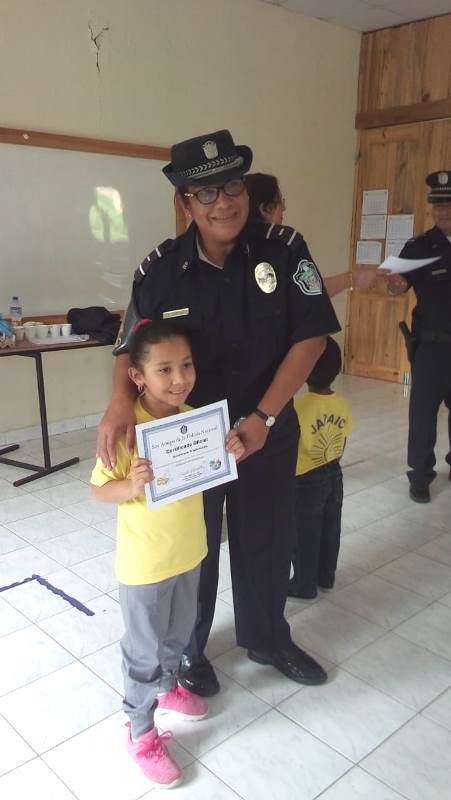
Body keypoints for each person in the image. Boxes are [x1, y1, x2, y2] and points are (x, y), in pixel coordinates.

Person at [97, 129, 341, 697]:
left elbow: (311, 338)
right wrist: (119, 400)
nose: (223, 202)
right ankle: (190, 649)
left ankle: (268, 638)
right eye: (205, 193)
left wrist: (265, 418)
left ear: (246, 189)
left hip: (266, 427)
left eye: (232, 186)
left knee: (268, 536)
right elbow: (130, 344)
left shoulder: (284, 249)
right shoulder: (160, 270)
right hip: (187, 438)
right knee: (194, 545)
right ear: (186, 203)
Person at [91, 319, 244, 788]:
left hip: (189, 552)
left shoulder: (195, 419)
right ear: (137, 377)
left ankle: (169, 686)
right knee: (143, 650)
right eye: (164, 370)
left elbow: (210, 469)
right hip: (145, 566)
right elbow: (99, 490)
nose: (180, 379)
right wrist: (130, 485)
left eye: (186, 365)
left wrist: (229, 450)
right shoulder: (126, 430)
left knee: (179, 633)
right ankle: (140, 732)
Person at [387, 171, 451, 503]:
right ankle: (420, 476)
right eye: (438, 206)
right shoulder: (420, 247)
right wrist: (394, 283)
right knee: (423, 414)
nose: (443, 212)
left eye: (449, 205)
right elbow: (396, 284)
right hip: (431, 348)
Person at [287, 336, 352, 599]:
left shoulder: (299, 408)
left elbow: (292, 447)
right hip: (335, 474)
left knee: (304, 534)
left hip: (305, 481)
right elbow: (343, 441)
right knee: (330, 528)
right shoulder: (342, 403)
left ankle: (304, 584)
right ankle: (327, 575)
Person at [244, 172, 382, 296]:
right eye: (280, 202)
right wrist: (353, 278)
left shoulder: (237, 248)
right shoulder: (286, 244)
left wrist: (353, 278)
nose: (284, 208)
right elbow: (312, 290)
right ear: (265, 209)